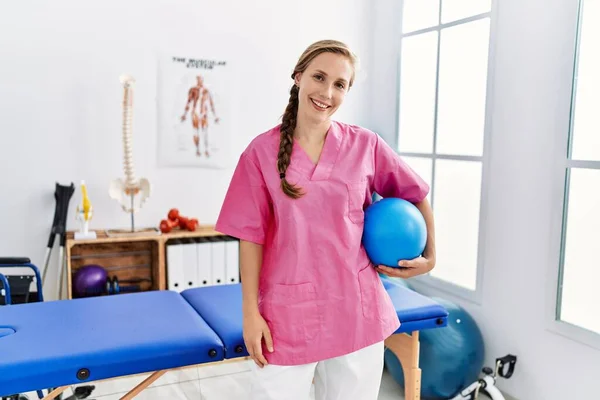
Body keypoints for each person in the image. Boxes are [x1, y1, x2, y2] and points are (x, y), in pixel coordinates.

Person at [215, 39, 436, 400]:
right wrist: (250, 314)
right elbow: (250, 238)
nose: (327, 92)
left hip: (356, 309)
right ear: (298, 77)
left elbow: (416, 193)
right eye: (319, 77)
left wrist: (431, 255)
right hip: (286, 314)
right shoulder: (260, 153)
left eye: (340, 84)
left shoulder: (366, 145)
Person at [180, 75, 220, 157]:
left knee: (205, 132)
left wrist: (215, 116)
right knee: (196, 132)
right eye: (198, 79)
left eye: (201, 79)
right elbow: (188, 102)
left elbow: (211, 103)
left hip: (203, 114)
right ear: (197, 80)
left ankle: (206, 150)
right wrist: (184, 114)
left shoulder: (206, 90)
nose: (200, 81)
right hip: (195, 113)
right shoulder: (193, 90)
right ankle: (197, 150)